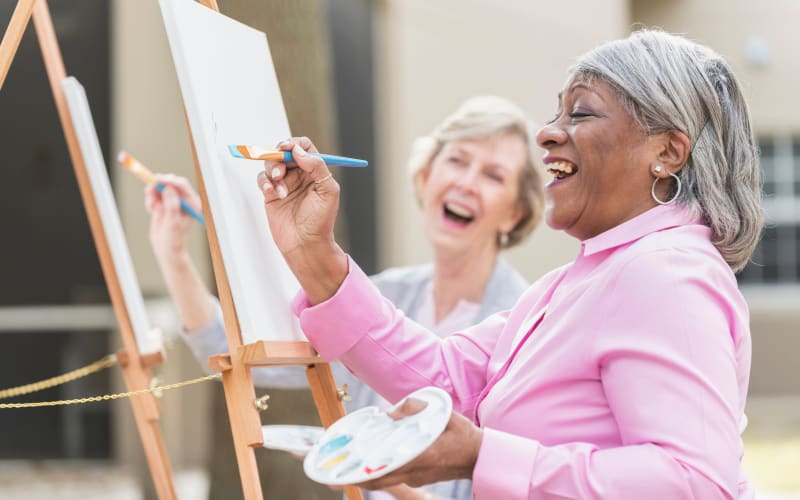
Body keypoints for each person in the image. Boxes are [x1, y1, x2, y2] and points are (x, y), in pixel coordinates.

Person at [257, 29, 763, 499]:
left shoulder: (665, 272)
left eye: (581, 114)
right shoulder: (576, 281)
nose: (546, 133)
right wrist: (312, 253)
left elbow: (694, 483)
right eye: (556, 114)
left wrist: (482, 456)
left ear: (668, 152)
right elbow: (446, 380)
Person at [145, 96, 545, 500]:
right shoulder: (380, 297)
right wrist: (174, 256)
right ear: (427, 176)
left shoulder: (524, 327)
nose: (467, 183)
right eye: (457, 160)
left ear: (516, 213)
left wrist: (372, 470)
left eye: (493, 175)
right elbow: (236, 350)